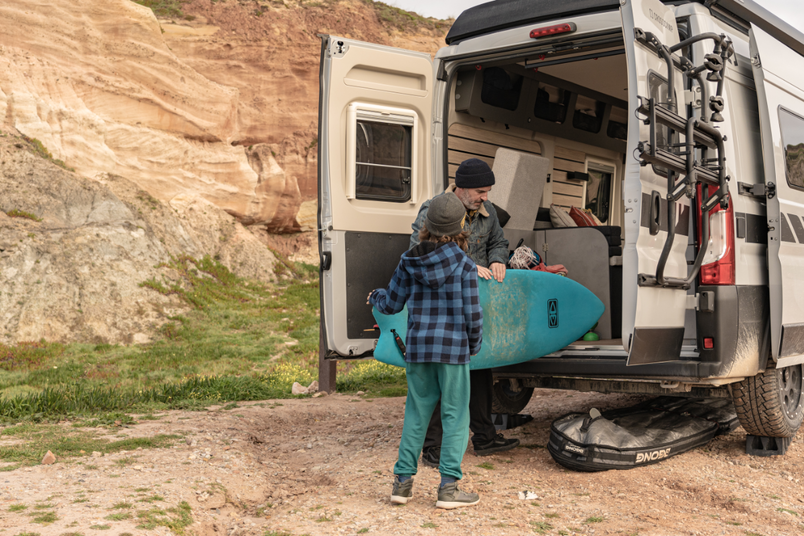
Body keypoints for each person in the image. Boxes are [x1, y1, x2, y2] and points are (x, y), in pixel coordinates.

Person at [369, 192, 483, 509]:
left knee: (416, 415)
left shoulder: (409, 261)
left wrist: (376, 296)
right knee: (456, 416)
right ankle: (448, 489)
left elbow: (391, 304)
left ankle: (402, 485)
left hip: (418, 349)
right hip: (454, 350)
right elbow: (473, 314)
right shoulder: (464, 265)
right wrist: (474, 345)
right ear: (460, 225)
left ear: (427, 225)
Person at [410, 158, 520, 467]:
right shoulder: (434, 209)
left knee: (483, 368)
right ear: (461, 189)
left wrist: (499, 259)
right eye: (481, 191)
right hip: (443, 307)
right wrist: (468, 266)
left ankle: (485, 437)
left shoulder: (489, 212)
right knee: (442, 377)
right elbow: (419, 253)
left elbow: (499, 241)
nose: (485, 197)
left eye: (487, 191)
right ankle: (433, 447)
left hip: (475, 304)